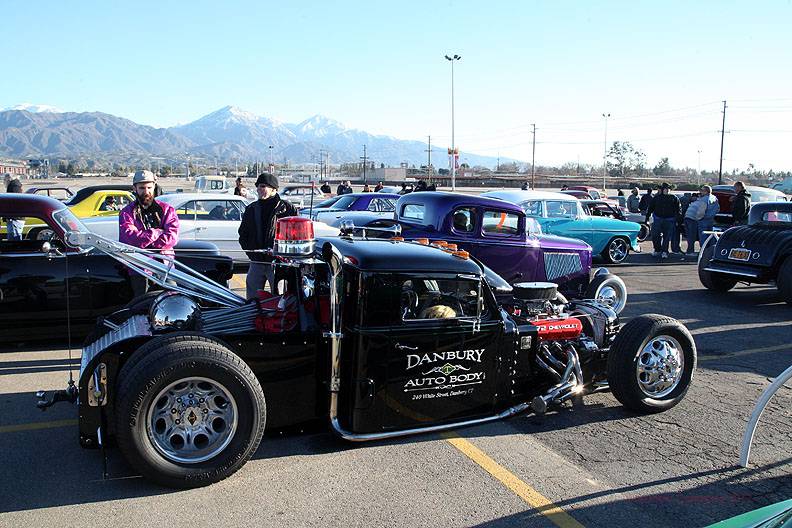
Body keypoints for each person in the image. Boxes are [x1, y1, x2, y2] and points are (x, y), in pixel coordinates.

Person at [119, 170, 180, 296]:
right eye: (142, 188)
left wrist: (143, 239)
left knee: (172, 300)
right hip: (139, 268)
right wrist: (156, 232)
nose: (146, 192)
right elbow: (130, 239)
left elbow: (172, 237)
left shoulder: (168, 210)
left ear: (154, 187)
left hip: (165, 266)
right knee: (142, 305)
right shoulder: (127, 213)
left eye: (149, 187)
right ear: (134, 188)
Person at [238, 173, 298, 299]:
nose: (259, 189)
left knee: (280, 299)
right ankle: (254, 319)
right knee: (252, 300)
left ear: (274, 189)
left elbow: (296, 235)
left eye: (263, 186)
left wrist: (284, 256)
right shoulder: (251, 209)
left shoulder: (287, 209)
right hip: (256, 262)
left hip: (278, 264)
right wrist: (252, 254)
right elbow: (243, 234)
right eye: (258, 186)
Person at [646, 183, 680, 259]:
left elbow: (678, 210)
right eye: (665, 189)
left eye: (668, 189)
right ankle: (657, 249)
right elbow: (651, 207)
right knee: (655, 235)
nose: (667, 190)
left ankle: (665, 251)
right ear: (662, 190)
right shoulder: (657, 198)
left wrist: (678, 220)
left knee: (667, 237)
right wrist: (647, 217)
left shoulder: (674, 198)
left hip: (670, 219)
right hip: (658, 218)